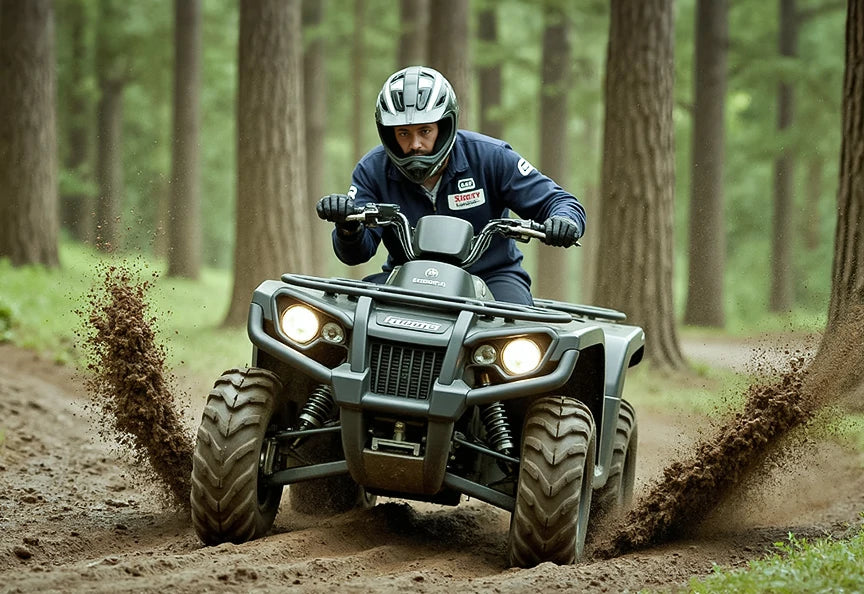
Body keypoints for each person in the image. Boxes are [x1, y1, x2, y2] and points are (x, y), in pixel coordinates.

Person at [316, 65, 586, 306]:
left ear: (444, 126)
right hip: (406, 275)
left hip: (492, 276)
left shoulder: (490, 157)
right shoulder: (373, 169)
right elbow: (355, 255)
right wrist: (348, 227)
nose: (415, 145)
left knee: (520, 330)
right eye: (403, 133)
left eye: (425, 131)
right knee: (350, 313)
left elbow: (560, 202)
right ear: (388, 134)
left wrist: (563, 221)